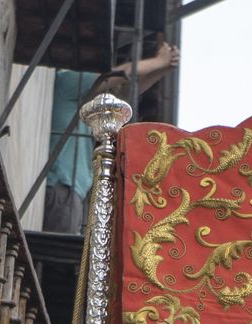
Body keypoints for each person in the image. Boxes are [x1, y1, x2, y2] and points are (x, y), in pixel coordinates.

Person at [42, 35, 179, 233]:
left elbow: (123, 95)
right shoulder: (67, 80)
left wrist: (160, 70)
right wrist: (159, 62)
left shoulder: (73, 94)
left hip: (69, 192)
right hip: (61, 189)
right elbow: (119, 76)